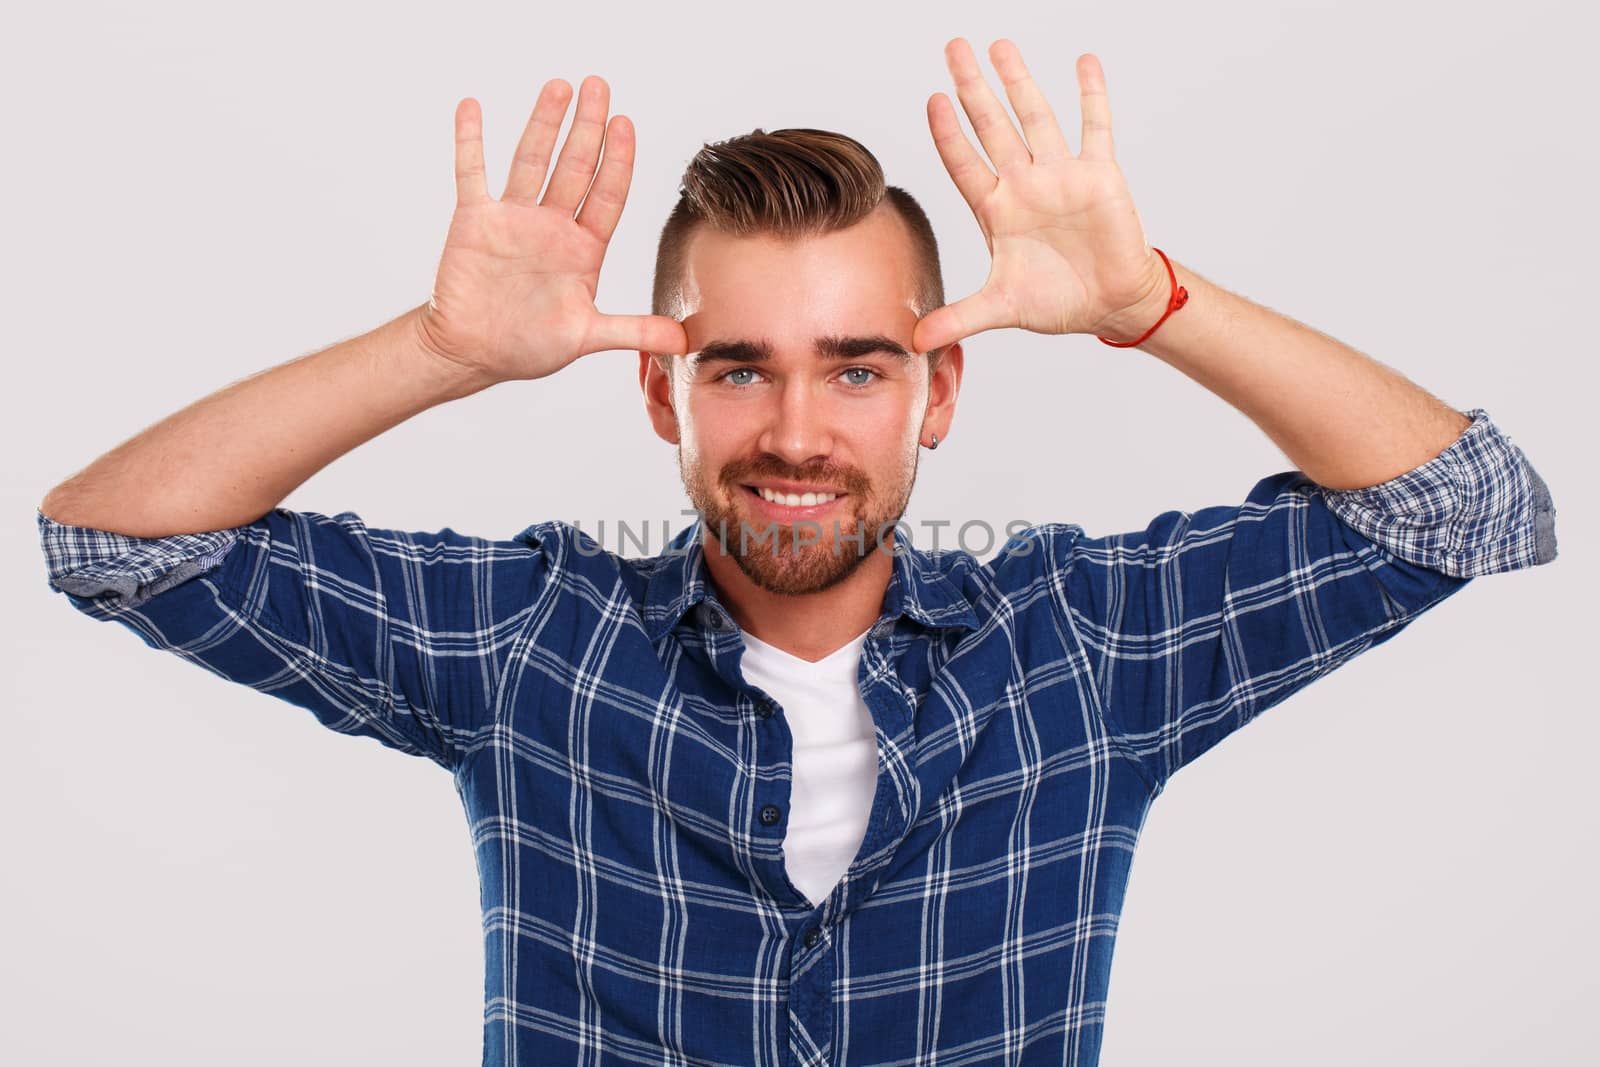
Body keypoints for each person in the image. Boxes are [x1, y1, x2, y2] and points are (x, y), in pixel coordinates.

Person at [36, 37, 1556, 1067]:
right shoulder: (531, 645)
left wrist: (1153, 303)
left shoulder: (1084, 650)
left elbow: (1471, 509)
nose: (797, 432)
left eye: (858, 366)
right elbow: (108, 541)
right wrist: (438, 350)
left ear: (937, 392)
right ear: (663, 393)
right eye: (740, 366)